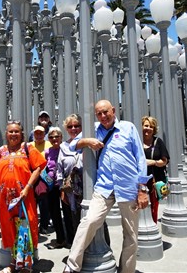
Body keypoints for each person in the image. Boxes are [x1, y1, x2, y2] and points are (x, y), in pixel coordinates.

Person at [63, 100, 151, 273]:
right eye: (99, 114)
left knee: (131, 235)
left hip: (128, 187)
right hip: (105, 187)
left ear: (113, 110)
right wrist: (87, 140)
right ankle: (72, 266)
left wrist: (142, 189)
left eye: (106, 112)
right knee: (89, 221)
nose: (103, 116)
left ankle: (127, 271)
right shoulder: (94, 129)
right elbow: (72, 145)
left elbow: (140, 159)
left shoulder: (128, 128)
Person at [0, 121, 47, 273]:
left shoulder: (28, 148)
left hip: (24, 198)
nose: (13, 134)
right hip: (5, 200)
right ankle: (14, 263)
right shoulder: (0, 151)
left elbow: (38, 167)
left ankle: (26, 266)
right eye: (10, 132)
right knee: (10, 231)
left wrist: (28, 187)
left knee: (25, 229)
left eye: (16, 132)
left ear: (21, 133)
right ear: (6, 134)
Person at [56, 114, 83, 245]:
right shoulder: (63, 147)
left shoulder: (88, 142)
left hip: (88, 188)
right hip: (71, 191)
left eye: (77, 125)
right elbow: (59, 170)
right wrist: (62, 189)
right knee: (74, 219)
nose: (74, 129)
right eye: (70, 126)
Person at [142, 116, 170, 223]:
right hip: (140, 180)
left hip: (154, 180)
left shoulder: (158, 142)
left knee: (153, 206)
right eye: (145, 125)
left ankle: (153, 225)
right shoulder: (137, 141)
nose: (148, 128)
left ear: (154, 129)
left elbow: (165, 160)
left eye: (150, 126)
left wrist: (152, 162)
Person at [45, 127, 67, 249]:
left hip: (64, 185)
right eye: (51, 137)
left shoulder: (65, 149)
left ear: (61, 137)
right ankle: (60, 238)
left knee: (68, 211)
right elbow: (44, 166)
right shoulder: (47, 152)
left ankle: (71, 237)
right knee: (54, 212)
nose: (54, 139)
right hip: (52, 186)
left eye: (56, 136)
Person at [30, 125, 52, 235]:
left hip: (44, 177)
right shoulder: (29, 146)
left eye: (41, 133)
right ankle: (33, 224)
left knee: (44, 200)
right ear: (33, 134)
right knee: (33, 201)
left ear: (44, 134)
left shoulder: (49, 144)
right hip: (32, 176)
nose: (38, 135)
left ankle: (44, 225)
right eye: (36, 133)